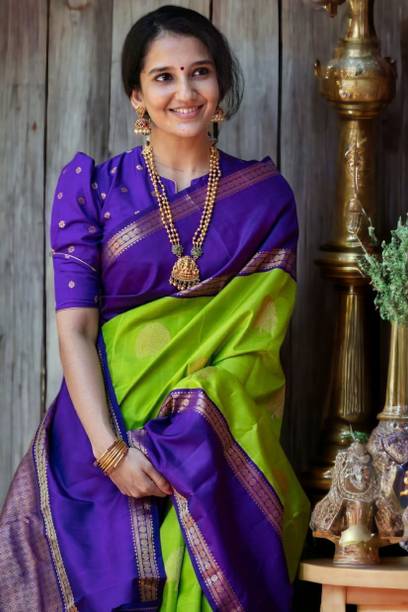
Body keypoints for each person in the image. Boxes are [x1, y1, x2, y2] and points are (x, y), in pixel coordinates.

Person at [0, 5, 310, 611]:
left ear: (220, 84)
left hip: (212, 446)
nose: (184, 92)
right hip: (99, 437)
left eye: (200, 72)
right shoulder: (92, 190)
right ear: (137, 95)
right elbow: (76, 330)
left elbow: (257, 344)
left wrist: (187, 430)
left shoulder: (265, 200)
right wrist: (112, 452)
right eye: (164, 77)